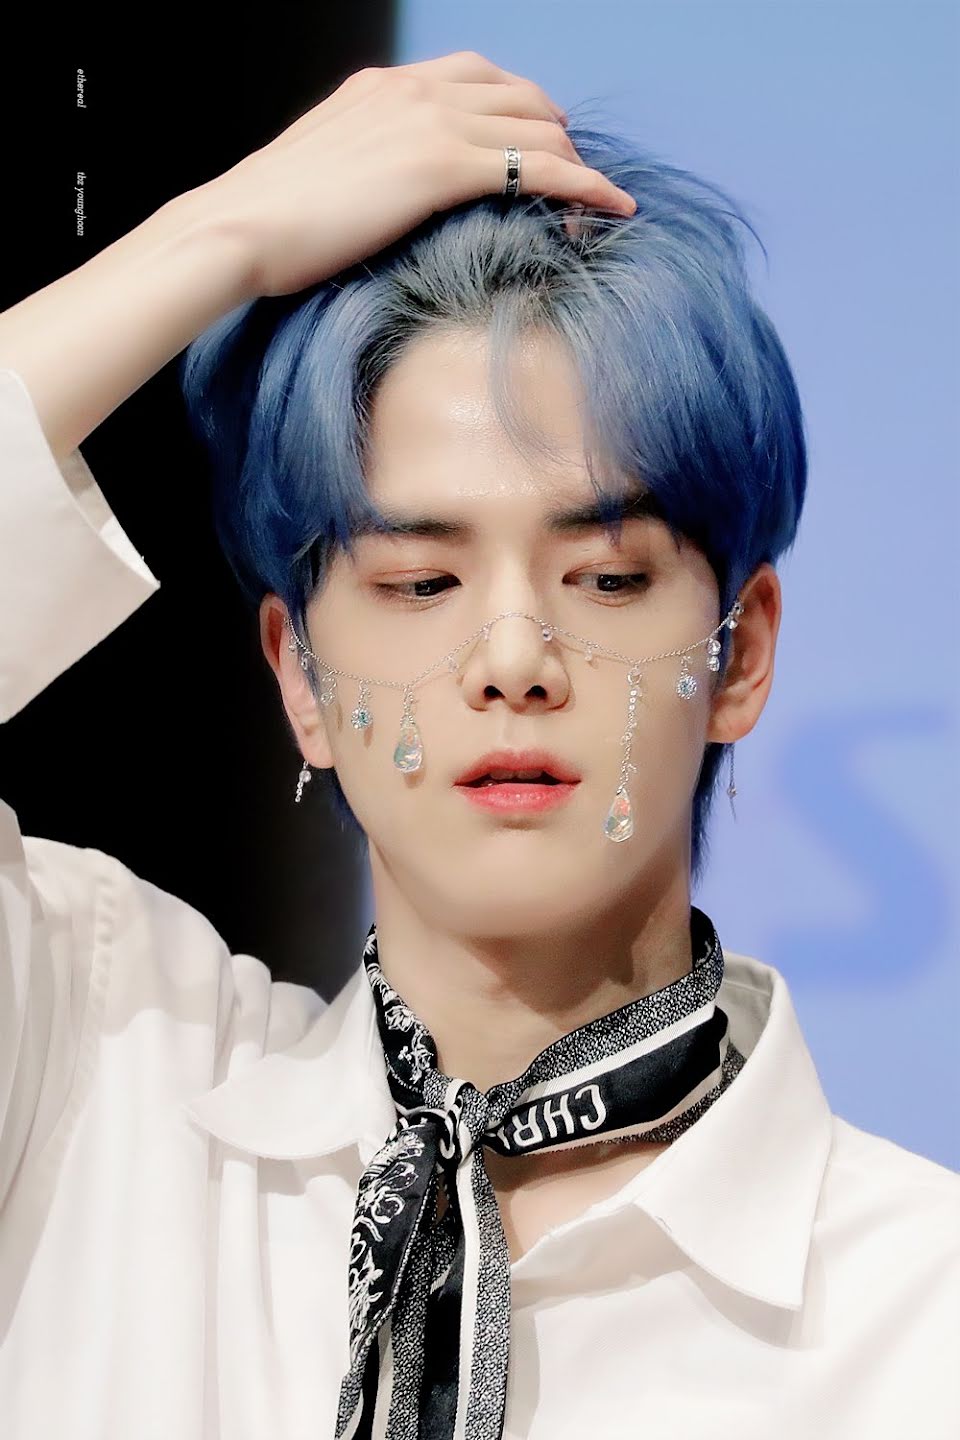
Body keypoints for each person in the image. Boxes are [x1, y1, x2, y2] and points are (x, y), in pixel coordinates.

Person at [0, 49, 956, 1440]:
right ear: (300, 675)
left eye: (607, 577)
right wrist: (225, 230)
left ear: (742, 652)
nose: (513, 659)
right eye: (420, 582)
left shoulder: (924, 1310)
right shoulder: (93, 1064)